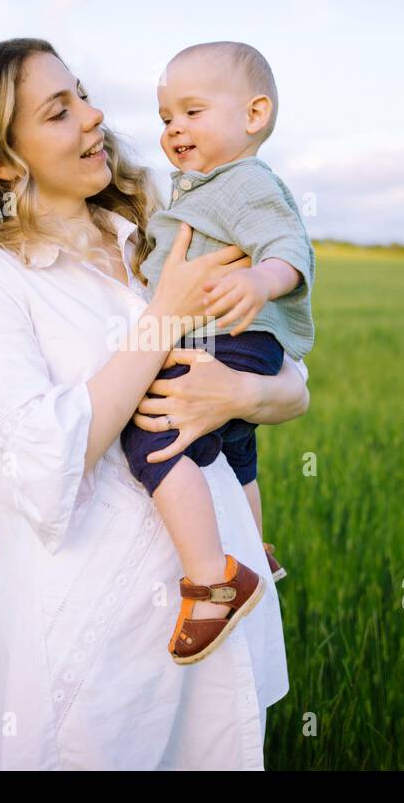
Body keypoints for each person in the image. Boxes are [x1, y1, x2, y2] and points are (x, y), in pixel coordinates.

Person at [0, 38, 312, 769]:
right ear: (0, 159)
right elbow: (44, 458)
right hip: (102, 647)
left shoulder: (149, 238)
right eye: (59, 111)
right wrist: (163, 319)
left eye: (82, 94)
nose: (94, 116)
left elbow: (293, 383)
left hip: (218, 615)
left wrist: (238, 393)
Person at [119, 41, 316, 665]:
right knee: (236, 453)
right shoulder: (203, 186)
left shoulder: (242, 183)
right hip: (234, 342)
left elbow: (289, 246)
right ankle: (255, 550)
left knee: (152, 434)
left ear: (253, 116)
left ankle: (214, 582)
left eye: (193, 111)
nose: (174, 127)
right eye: (165, 117)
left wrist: (262, 280)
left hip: (229, 337)